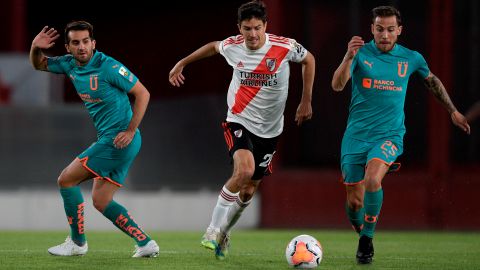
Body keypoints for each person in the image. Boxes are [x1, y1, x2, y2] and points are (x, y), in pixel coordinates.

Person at [169, 0, 315, 260]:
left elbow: (309, 60)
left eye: (257, 28)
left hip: (270, 130)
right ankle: (212, 230)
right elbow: (213, 47)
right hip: (239, 120)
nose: (253, 34)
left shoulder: (284, 46)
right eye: (247, 28)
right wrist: (183, 62)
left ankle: (224, 231)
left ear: (265, 26)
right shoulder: (233, 46)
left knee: (248, 190)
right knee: (244, 170)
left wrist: (306, 100)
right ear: (239, 28)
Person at [331, 6, 470, 264]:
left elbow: (433, 81)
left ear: (399, 31)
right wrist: (348, 57)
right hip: (355, 137)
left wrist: (453, 111)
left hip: (389, 135)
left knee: (373, 179)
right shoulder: (360, 54)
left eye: (390, 29)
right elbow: (337, 85)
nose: (385, 35)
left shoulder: (411, 58)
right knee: (354, 203)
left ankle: (367, 240)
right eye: (380, 29)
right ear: (372, 29)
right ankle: (360, 228)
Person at [30, 21, 159, 257]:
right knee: (101, 200)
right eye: (76, 42)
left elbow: (143, 93)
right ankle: (145, 243)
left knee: (66, 180)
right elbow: (39, 63)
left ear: (93, 43)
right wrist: (35, 47)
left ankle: (77, 243)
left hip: (118, 140)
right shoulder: (69, 64)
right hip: (117, 141)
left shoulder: (108, 66)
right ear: (68, 47)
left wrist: (130, 130)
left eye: (86, 41)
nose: (82, 47)